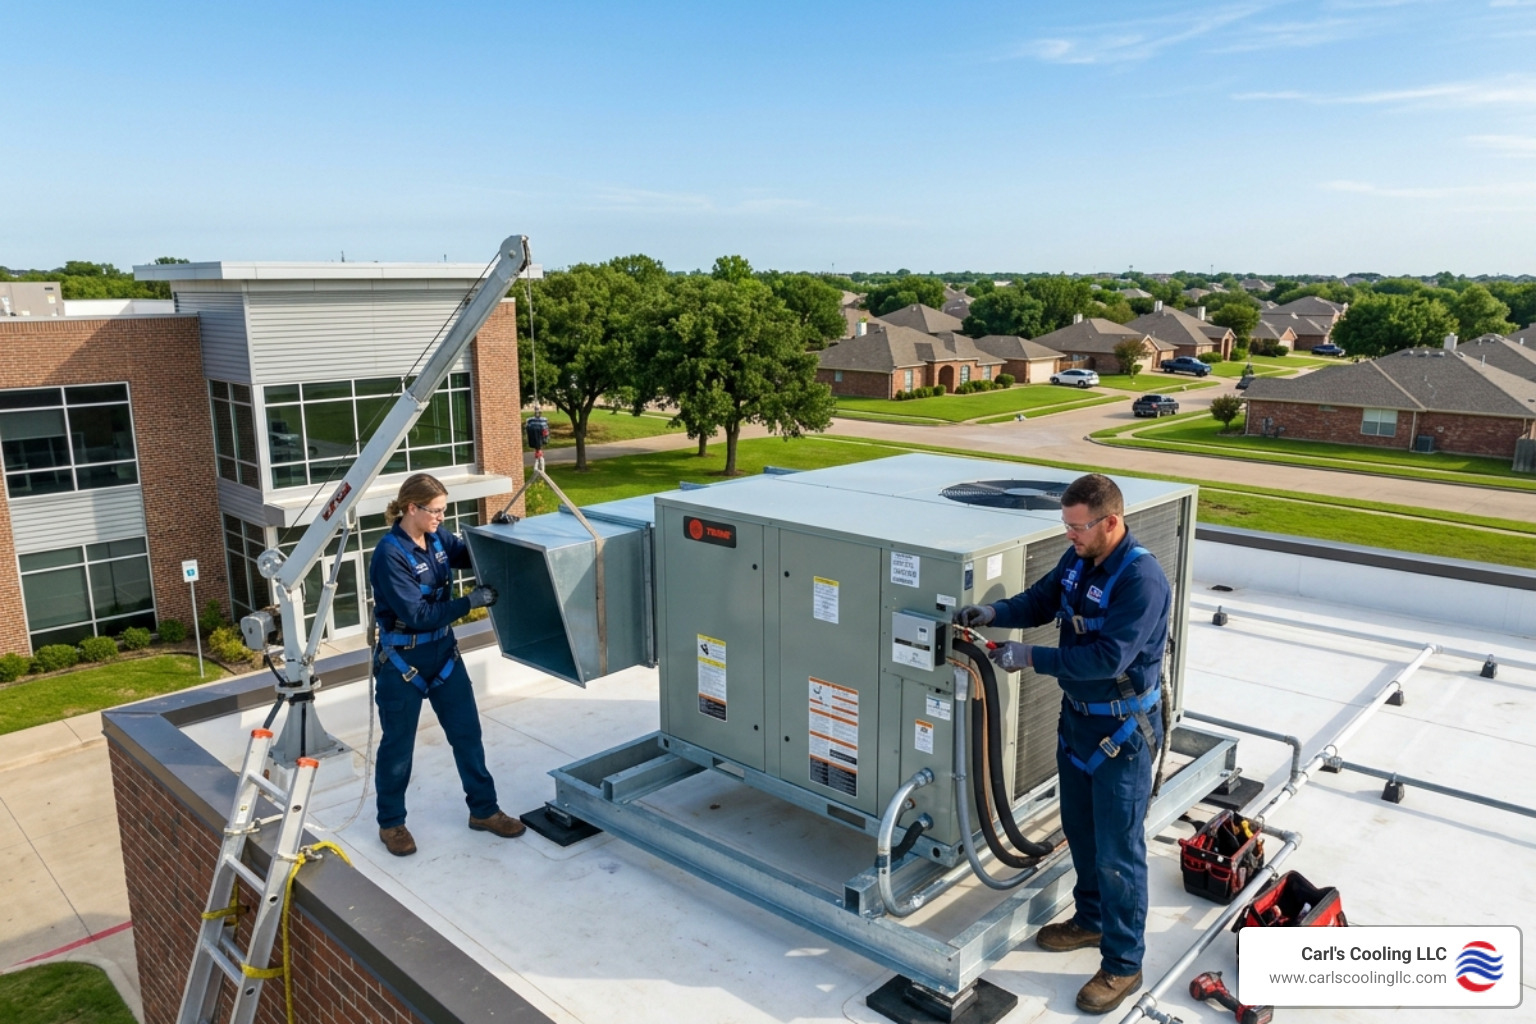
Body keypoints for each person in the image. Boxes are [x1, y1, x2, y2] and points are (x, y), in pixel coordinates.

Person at [953, 473, 1170, 1015]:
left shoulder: (1140, 580)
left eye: (1078, 527)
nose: (1070, 535)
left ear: (1111, 522)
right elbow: (1041, 600)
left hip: (1121, 735)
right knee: (1081, 831)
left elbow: (1106, 659)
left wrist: (1029, 657)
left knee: (1119, 850)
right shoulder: (1077, 559)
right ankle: (1091, 920)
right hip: (1078, 724)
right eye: (1066, 526)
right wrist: (995, 614)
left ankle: (1124, 964)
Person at [370, 472, 524, 856]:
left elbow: (467, 554)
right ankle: (391, 823)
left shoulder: (437, 538)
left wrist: (494, 532)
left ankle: (484, 811)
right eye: (435, 511)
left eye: (444, 510)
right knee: (397, 748)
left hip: (443, 656)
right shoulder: (390, 554)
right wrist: (470, 602)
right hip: (403, 661)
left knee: (467, 735)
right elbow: (420, 614)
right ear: (412, 508)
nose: (441, 517)